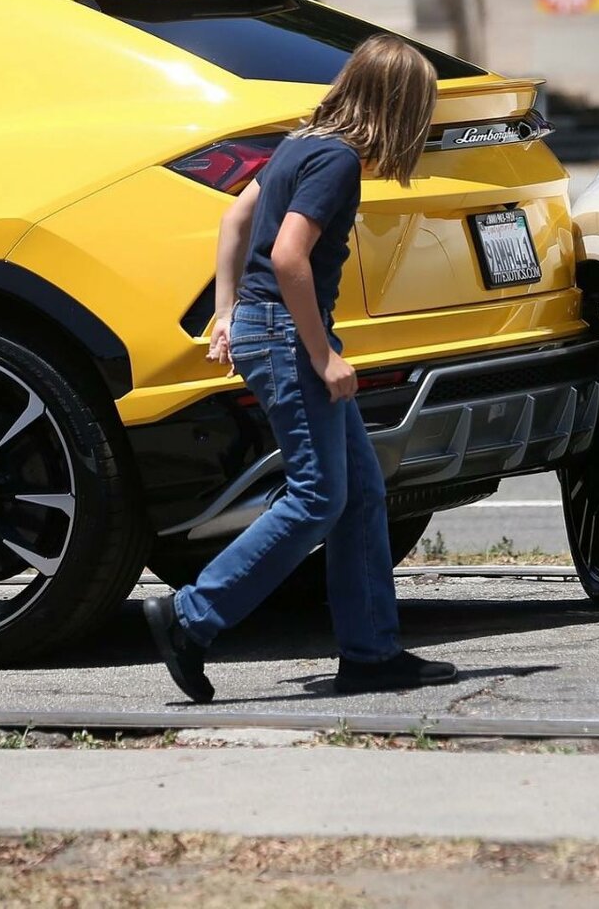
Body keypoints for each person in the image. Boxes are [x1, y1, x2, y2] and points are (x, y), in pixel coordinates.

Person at [144, 35, 459, 703]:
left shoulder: (298, 144)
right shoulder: (337, 160)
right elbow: (289, 258)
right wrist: (323, 355)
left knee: (361, 495)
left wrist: (227, 312)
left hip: (266, 328)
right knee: (318, 495)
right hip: (291, 338)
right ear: (396, 107)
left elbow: (235, 219)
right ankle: (191, 617)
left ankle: (372, 654)